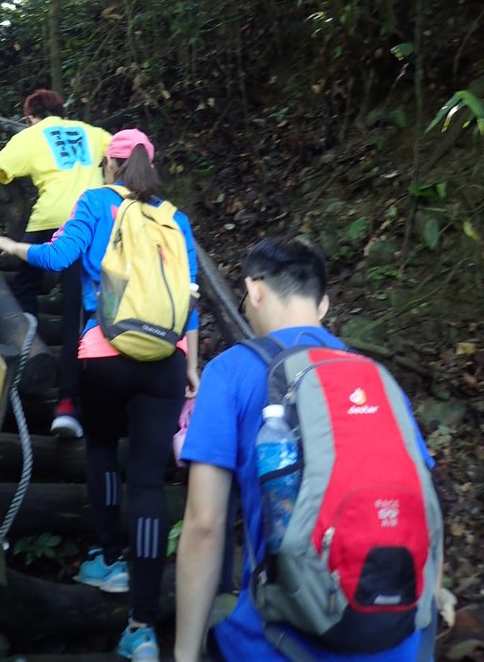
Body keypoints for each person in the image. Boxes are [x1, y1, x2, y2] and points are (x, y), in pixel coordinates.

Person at [0, 128, 200, 662]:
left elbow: (59, 259)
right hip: (165, 363)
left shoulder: (97, 201)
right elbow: (191, 301)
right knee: (148, 482)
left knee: (102, 447)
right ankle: (143, 627)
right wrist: (191, 367)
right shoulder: (175, 217)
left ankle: (108, 559)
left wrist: (10, 245)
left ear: (110, 164)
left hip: (104, 355)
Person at [174, 236, 441, 662]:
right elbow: (424, 506)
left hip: (278, 643)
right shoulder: (375, 377)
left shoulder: (229, 372)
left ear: (255, 290)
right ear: (323, 307)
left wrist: (184, 654)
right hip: (396, 638)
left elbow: (205, 524)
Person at [0, 88, 111, 437]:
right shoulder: (93, 133)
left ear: (29, 117)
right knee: (75, 310)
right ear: (61, 111)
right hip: (93, 223)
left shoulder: (32, 136)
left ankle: (28, 342)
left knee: (24, 282)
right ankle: (69, 404)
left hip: (50, 223)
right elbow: (127, 154)